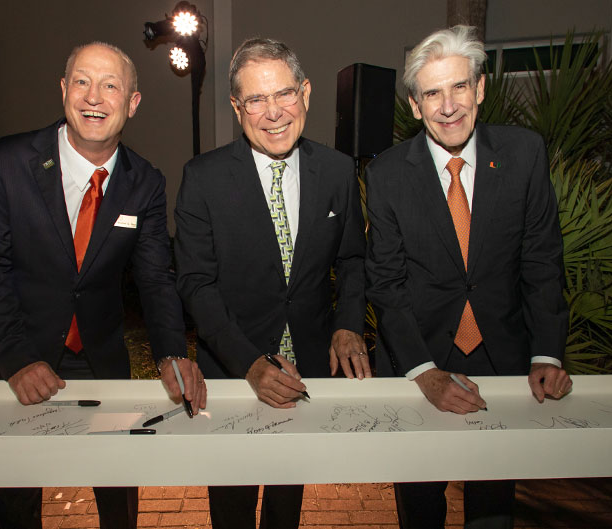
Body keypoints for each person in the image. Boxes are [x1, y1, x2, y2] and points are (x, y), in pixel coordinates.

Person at [0, 41, 206, 529]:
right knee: (16, 495)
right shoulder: (4, 162)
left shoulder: (145, 183)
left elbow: (156, 277)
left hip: (98, 355)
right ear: (63, 91)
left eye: (111, 85)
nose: (94, 97)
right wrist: (14, 359)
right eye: (82, 81)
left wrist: (171, 353)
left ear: (132, 103)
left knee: (118, 487)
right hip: (13, 354)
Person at [365, 26, 573, 529]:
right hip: (420, 361)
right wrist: (424, 372)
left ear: (480, 89)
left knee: (493, 511)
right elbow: (387, 284)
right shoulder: (387, 173)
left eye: (459, 87)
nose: (448, 105)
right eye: (432, 92)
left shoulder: (524, 154)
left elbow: (542, 261)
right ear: (415, 105)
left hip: (503, 358)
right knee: (419, 507)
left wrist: (547, 351)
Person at [174, 38, 368, 529]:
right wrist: (250, 364)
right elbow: (196, 285)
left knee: (287, 501)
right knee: (233, 507)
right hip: (232, 370)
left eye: (283, 94)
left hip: (307, 369)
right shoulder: (203, 178)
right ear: (238, 107)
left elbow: (351, 259)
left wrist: (347, 325)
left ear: (306, 92)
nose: (273, 112)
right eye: (256, 100)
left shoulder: (338, 171)